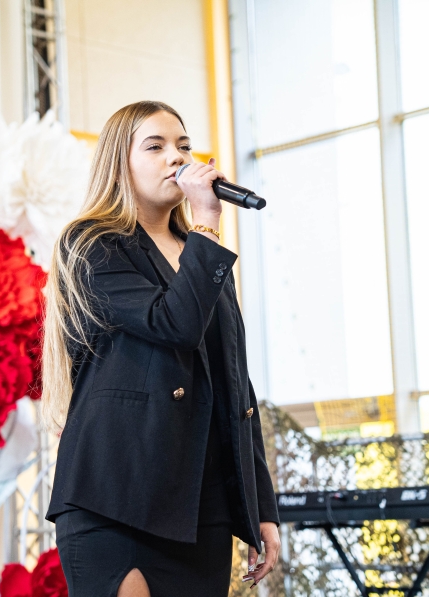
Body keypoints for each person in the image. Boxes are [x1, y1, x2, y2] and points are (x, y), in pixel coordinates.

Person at [42, 100, 280, 597]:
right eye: (155, 146)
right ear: (119, 164)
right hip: (113, 497)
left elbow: (235, 382)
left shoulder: (202, 257)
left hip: (199, 507)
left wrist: (260, 506)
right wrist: (206, 220)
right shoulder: (92, 243)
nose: (177, 157)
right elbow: (173, 324)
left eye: (184, 146)